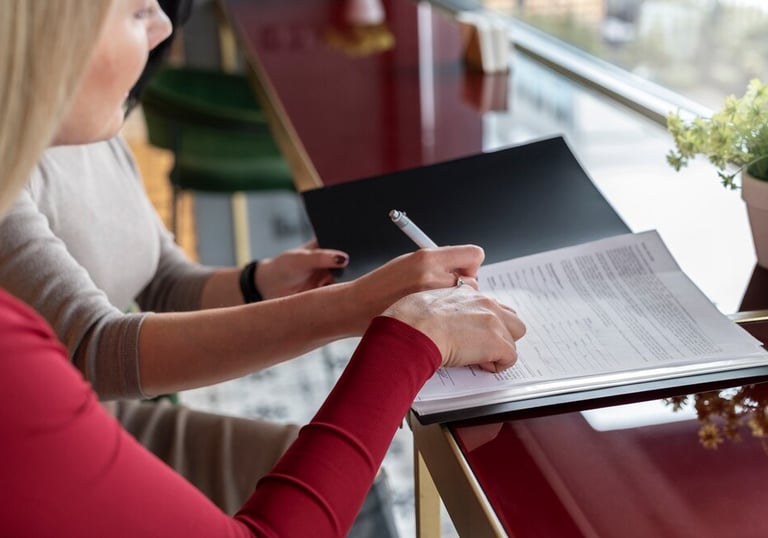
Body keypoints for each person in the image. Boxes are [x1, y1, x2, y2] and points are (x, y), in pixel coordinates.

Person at [0, 0, 526, 536]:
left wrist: (258, 282)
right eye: (137, 12)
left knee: (355, 490)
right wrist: (378, 317)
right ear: (48, 32)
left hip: (92, 418)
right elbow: (92, 348)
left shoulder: (90, 126)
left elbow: (160, 277)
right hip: (67, 426)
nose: (163, 28)